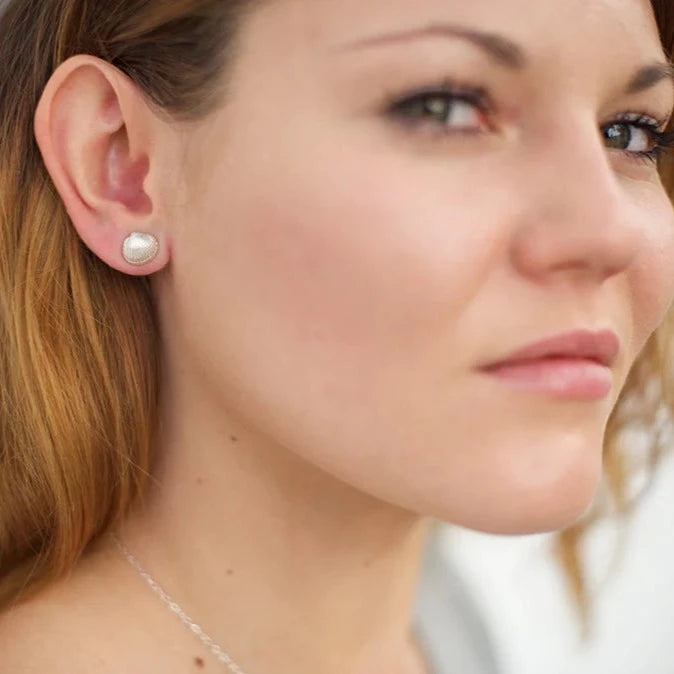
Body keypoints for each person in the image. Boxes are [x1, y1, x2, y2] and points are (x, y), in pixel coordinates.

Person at [1, 0, 673, 672]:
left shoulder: (449, 629)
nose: (609, 233)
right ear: (118, 166)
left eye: (629, 134)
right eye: (444, 107)